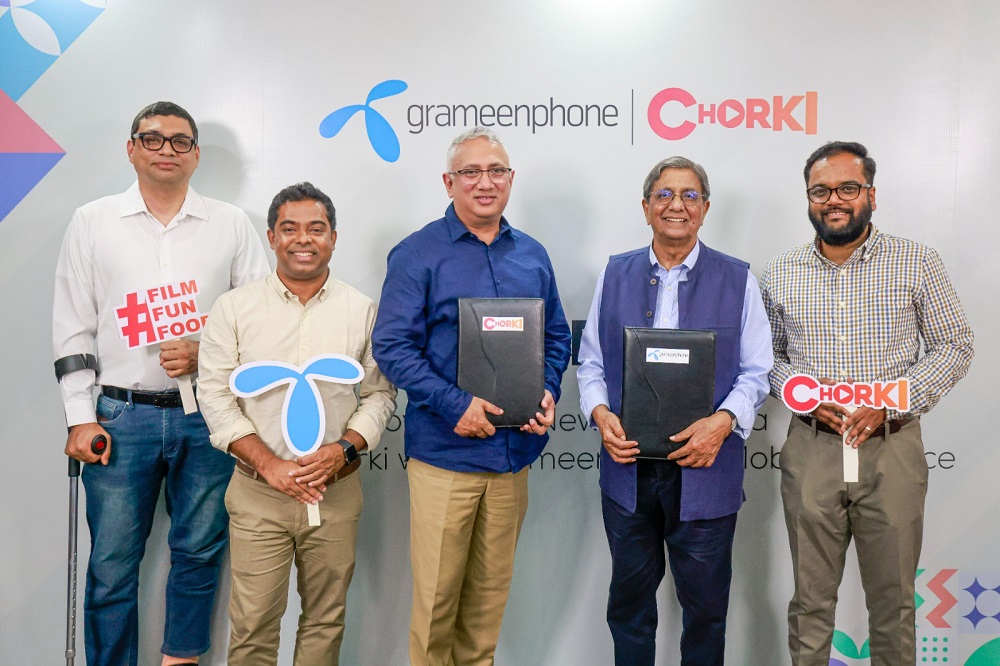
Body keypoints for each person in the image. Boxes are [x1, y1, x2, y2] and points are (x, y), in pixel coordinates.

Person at [52, 101, 269, 665]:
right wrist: (80, 417)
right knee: (111, 566)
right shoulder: (92, 221)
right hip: (120, 417)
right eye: (152, 139)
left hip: (209, 417)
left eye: (180, 141)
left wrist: (207, 351)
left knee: (199, 553)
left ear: (195, 155)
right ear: (131, 149)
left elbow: (260, 321)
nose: (166, 150)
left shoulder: (231, 223)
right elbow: (73, 325)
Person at [760, 141, 974, 666]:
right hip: (813, 448)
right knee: (810, 603)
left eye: (848, 188)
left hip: (891, 449)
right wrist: (804, 395)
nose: (834, 200)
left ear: (871, 196)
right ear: (808, 198)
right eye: (821, 191)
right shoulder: (781, 271)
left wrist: (892, 402)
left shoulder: (917, 260)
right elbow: (764, 358)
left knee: (894, 603)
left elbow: (955, 344)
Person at [372, 126, 572, 666]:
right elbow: (391, 346)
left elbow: (556, 336)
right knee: (436, 608)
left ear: (511, 179)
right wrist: (455, 404)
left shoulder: (532, 255)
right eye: (471, 172)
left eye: (496, 171)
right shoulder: (417, 254)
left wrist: (547, 390)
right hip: (446, 457)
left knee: (486, 611)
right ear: (449, 182)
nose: (485, 182)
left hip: (512, 457)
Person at [576, 156, 773, 665]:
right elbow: (591, 363)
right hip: (629, 471)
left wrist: (722, 424)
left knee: (706, 613)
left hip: (706, 469)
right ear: (646, 207)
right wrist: (600, 414)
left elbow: (757, 372)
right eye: (664, 195)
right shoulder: (615, 273)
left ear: (705, 208)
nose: (676, 205)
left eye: (689, 195)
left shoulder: (738, 279)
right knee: (629, 608)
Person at [197, 182, 396, 664]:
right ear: (271, 237)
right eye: (289, 228)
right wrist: (270, 466)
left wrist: (342, 451)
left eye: (316, 229)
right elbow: (215, 396)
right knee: (252, 626)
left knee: (326, 621)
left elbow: (380, 394)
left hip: (336, 491)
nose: (303, 239)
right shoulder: (234, 308)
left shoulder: (362, 310)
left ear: (333, 238)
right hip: (258, 493)